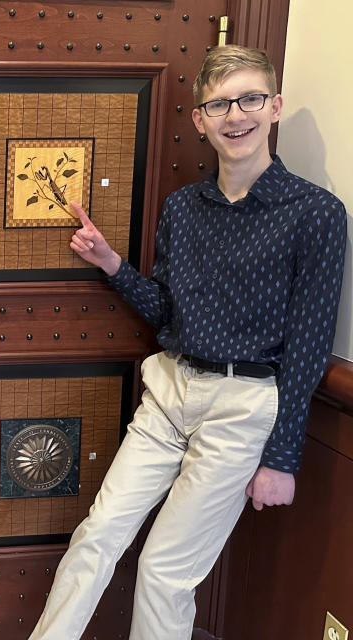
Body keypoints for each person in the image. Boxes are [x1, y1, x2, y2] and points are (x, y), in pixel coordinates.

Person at [28, 45, 346, 639]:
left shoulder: (317, 213)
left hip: (243, 408)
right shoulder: (183, 208)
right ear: (200, 119)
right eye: (220, 104)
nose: (236, 115)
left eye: (250, 98)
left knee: (164, 571)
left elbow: (308, 343)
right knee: (96, 536)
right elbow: (168, 312)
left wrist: (281, 458)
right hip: (170, 389)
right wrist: (113, 265)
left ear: (274, 107)